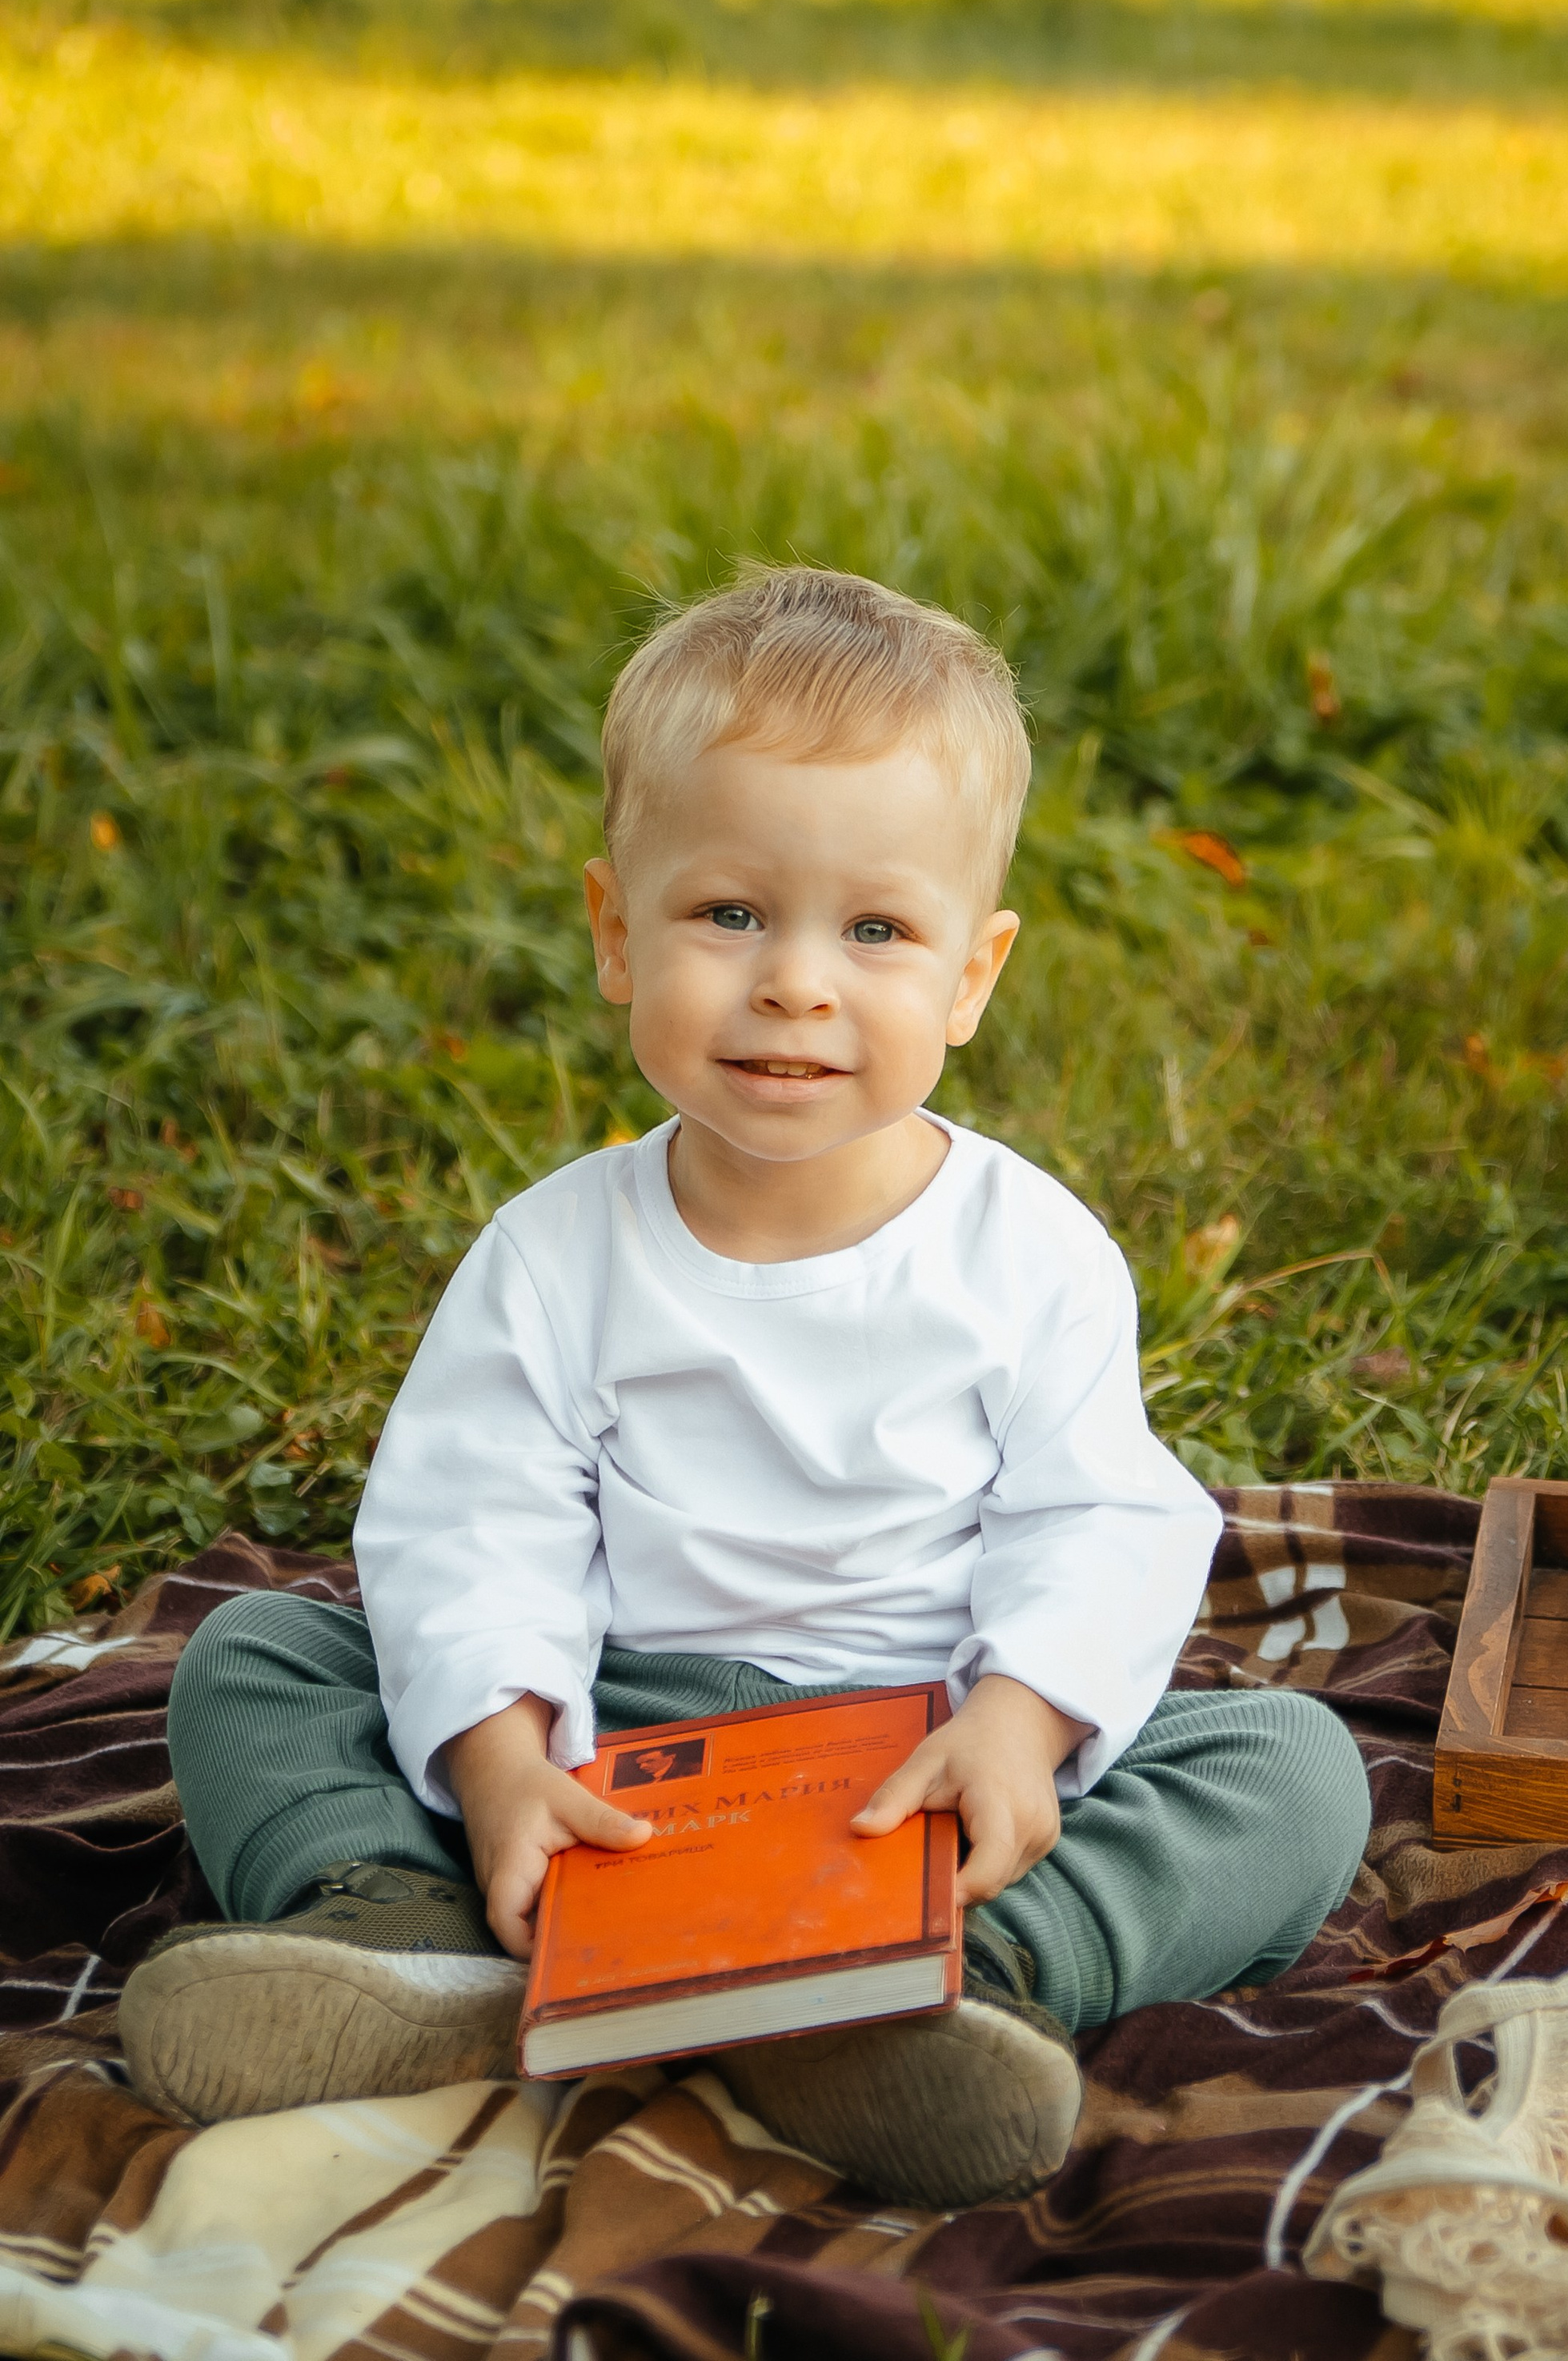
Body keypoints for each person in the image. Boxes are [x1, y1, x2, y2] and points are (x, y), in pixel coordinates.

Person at [120, 568, 1371, 2207]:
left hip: (901, 1772)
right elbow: (467, 1521)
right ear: (611, 933)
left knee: (1289, 1762)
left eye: (874, 930)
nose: (794, 981)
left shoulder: (1027, 1251)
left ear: (972, 976)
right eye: (728, 915)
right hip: (608, 1749)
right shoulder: (557, 1252)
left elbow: (1099, 1517)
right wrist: (502, 1765)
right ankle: (406, 1935)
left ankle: (959, 1985)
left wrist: (1014, 1723)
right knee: (257, 1654)